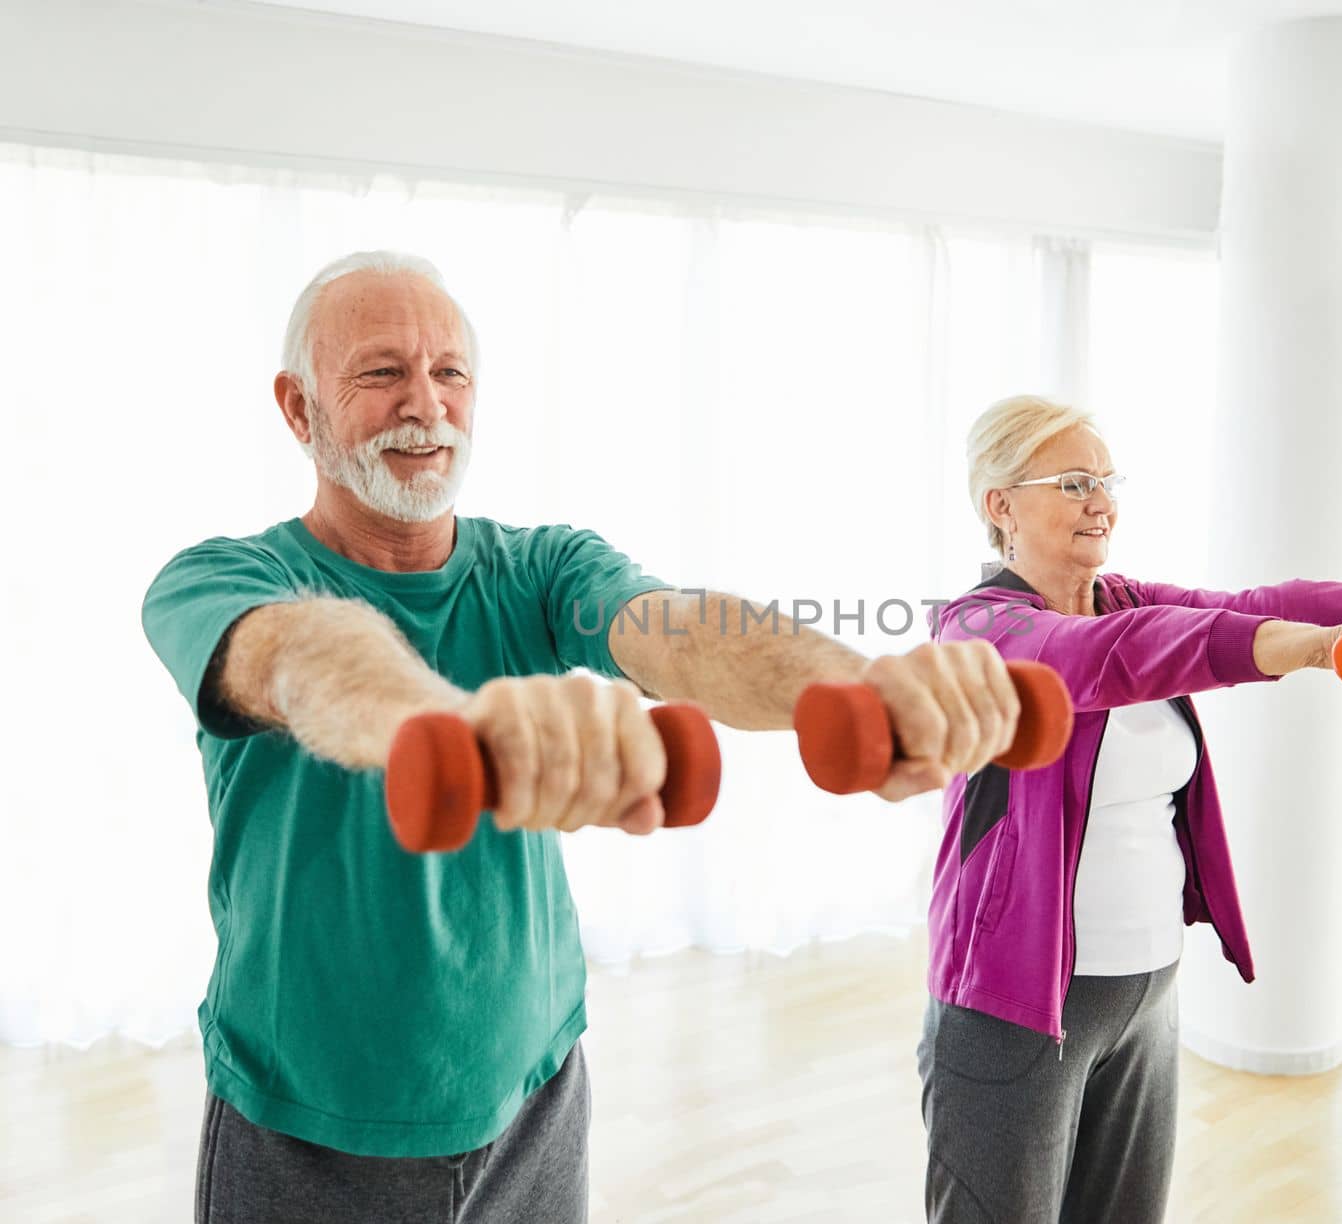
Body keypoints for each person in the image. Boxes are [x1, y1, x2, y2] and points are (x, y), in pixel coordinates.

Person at [143, 251, 1025, 1224]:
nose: (425, 405)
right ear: (300, 409)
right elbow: (305, 656)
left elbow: (674, 630)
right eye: (381, 372)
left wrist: (860, 688)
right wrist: (451, 728)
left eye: (450, 373)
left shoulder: (539, 565)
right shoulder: (217, 580)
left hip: (535, 1094)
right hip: (306, 1126)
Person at [916, 394, 1342, 1224]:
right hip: (1011, 1006)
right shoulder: (978, 631)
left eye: (1108, 480)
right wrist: (1317, 653)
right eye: (1074, 481)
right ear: (1000, 505)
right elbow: (1120, 658)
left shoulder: (1119, 598)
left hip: (1143, 995)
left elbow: (1268, 604)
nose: (1102, 501)